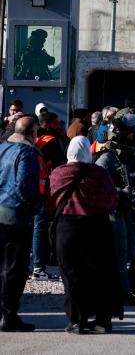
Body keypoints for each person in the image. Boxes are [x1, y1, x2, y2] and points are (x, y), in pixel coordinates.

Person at [49, 136, 122, 334]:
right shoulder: (99, 174)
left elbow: (51, 199)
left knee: (71, 276)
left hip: (67, 229)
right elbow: (112, 200)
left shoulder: (57, 174)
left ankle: (76, 320)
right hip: (97, 227)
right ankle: (102, 320)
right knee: (100, 274)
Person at [95, 116, 135, 304]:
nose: (133, 135)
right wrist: (123, 193)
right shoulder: (108, 156)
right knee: (122, 252)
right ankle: (120, 289)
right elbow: (100, 184)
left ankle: (130, 280)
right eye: (130, 132)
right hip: (120, 208)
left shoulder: (134, 150)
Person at [0, 117, 41, 332]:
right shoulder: (28, 154)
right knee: (14, 269)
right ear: (33, 133)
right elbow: (25, 187)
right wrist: (35, 205)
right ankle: (8, 315)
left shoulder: (3, 148)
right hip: (15, 216)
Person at [31, 112, 67, 281]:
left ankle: (33, 265)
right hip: (43, 190)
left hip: (25, 190)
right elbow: (59, 167)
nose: (59, 126)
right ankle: (39, 266)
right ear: (47, 125)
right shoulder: (51, 142)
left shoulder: (32, 140)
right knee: (40, 227)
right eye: (56, 124)